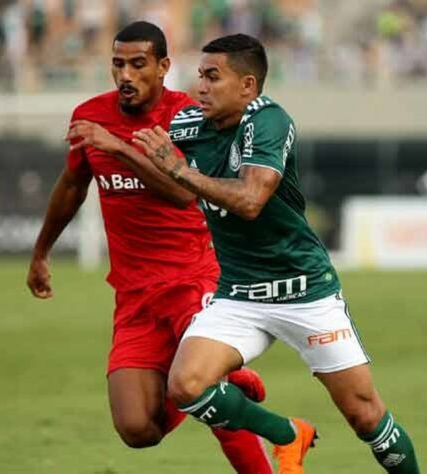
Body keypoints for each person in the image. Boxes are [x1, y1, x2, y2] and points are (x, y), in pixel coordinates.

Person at [130, 34, 421, 473]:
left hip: (304, 291)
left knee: (365, 415)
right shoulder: (189, 128)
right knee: (186, 385)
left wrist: (177, 169)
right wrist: (121, 149)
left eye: (213, 77)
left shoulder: (268, 121)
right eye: (200, 77)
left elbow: (250, 200)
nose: (201, 87)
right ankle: (289, 434)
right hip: (240, 296)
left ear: (247, 86)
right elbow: (175, 188)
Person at [27, 22, 273, 474]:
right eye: (118, 63)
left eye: (138, 64)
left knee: (206, 394)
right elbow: (71, 185)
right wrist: (41, 252)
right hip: (135, 296)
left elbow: (183, 192)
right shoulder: (91, 115)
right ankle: (226, 381)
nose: (126, 74)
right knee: (138, 429)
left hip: (194, 279)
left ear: (163, 67)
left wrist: (118, 148)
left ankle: (230, 400)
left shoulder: (189, 116)